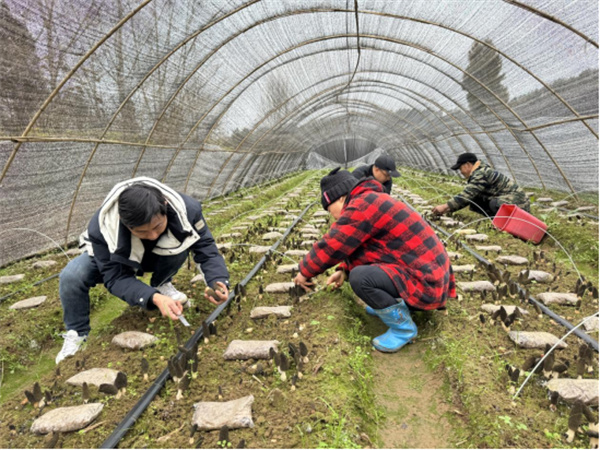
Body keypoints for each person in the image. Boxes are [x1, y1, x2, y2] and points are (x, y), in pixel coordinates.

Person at [56, 177, 230, 364]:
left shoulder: (187, 211)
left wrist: (217, 279)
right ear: (125, 222)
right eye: (142, 232)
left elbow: (205, 249)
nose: (152, 235)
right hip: (118, 253)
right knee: (72, 275)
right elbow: (116, 277)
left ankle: (163, 284)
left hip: (160, 252)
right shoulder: (102, 229)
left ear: (165, 206)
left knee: (181, 245)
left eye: (157, 227)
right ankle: (77, 333)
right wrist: (151, 297)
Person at [293, 168, 455, 353]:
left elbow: (334, 244)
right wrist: (343, 269)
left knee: (360, 278)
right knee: (356, 273)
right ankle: (394, 306)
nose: (333, 216)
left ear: (339, 198)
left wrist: (304, 271)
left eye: (330, 210)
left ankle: (403, 329)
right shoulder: (369, 200)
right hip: (429, 275)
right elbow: (365, 245)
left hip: (427, 283)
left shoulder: (362, 205)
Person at [432, 153, 530, 217]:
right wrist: (448, 210)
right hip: (511, 201)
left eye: (460, 168)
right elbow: (468, 198)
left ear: (467, 165)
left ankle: (501, 222)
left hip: (518, 203)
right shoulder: (479, 172)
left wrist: (444, 206)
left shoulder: (481, 173)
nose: (460, 172)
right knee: (475, 199)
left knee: (493, 203)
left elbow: (467, 194)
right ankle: (494, 219)